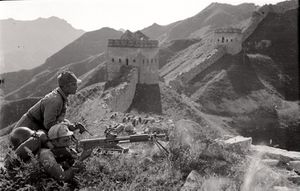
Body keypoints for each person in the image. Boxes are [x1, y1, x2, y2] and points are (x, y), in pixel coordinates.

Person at [14, 71, 81, 132]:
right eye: (74, 84)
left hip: (33, 127)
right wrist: (68, 126)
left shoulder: (60, 97)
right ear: (66, 87)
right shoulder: (55, 100)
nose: (77, 87)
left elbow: (56, 120)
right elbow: (49, 124)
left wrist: (71, 125)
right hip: (25, 130)